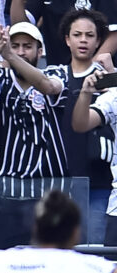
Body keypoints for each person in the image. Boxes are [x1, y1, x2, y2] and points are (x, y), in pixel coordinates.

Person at [0, 23, 67, 180]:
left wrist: (11, 56)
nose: (21, 52)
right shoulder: (2, 77)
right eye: (14, 46)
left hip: (51, 180)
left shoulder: (56, 72)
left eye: (27, 46)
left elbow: (49, 87)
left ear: (40, 51)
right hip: (10, 180)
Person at [57, 9, 114, 245]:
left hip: (99, 181)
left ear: (99, 40)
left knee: (95, 254)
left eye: (89, 35)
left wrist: (111, 74)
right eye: (77, 35)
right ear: (67, 39)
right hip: (59, 180)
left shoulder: (108, 78)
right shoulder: (55, 75)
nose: (83, 40)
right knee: (60, 255)